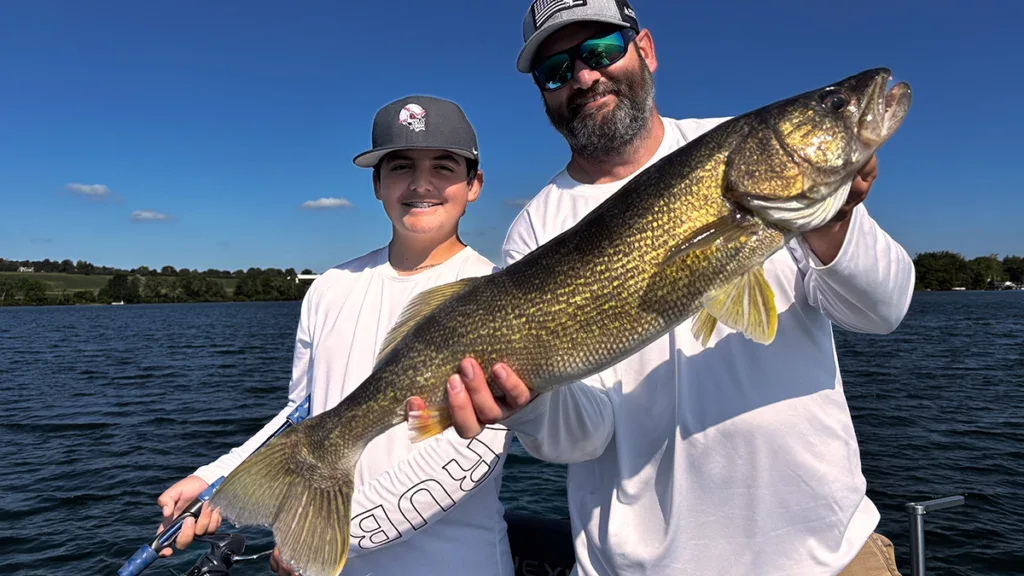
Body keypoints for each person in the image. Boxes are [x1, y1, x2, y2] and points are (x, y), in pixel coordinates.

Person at [437, 1, 914, 575]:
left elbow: (883, 309)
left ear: (645, 48)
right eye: (556, 70)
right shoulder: (535, 229)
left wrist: (834, 221)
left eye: (601, 50)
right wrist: (528, 404)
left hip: (827, 556)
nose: (584, 77)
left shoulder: (745, 152)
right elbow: (583, 439)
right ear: (543, 92)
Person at [155, 95, 515, 576]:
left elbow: (468, 457)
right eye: (401, 167)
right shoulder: (329, 287)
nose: (421, 183)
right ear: (377, 184)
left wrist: (324, 537)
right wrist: (215, 482)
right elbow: (301, 420)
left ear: (474, 185)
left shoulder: (499, 293)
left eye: (443, 167)